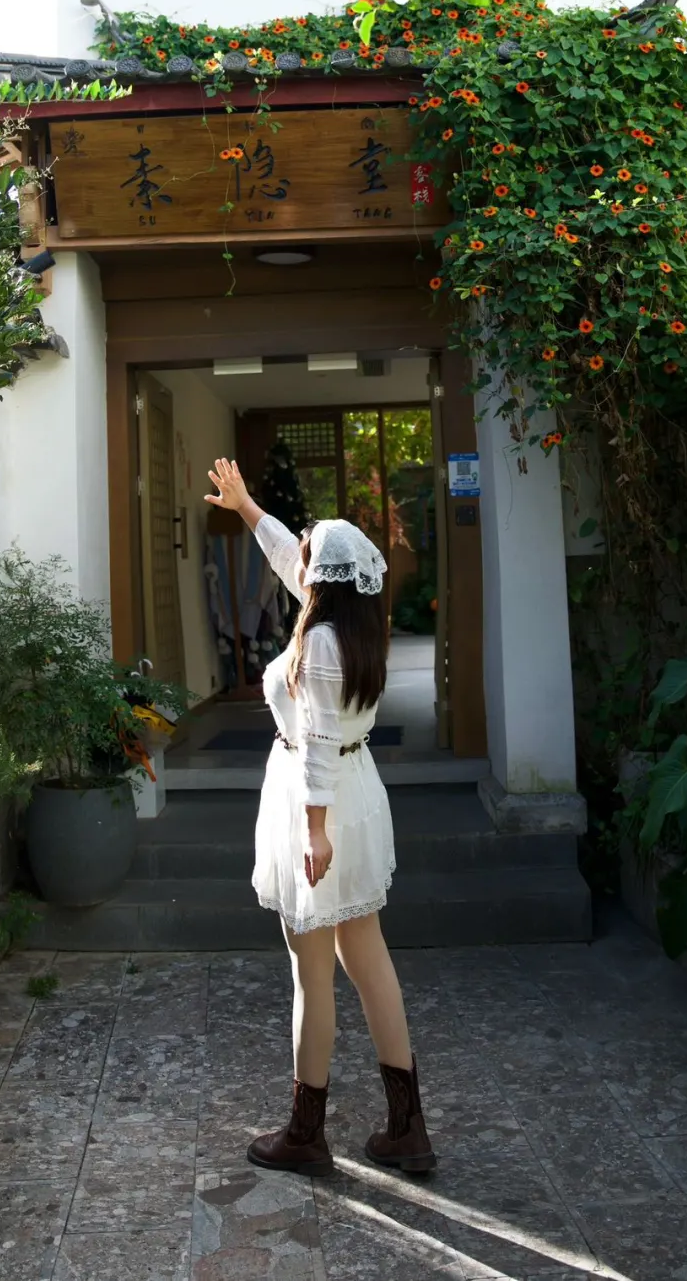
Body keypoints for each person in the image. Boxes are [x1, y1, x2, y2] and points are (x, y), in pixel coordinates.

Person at [204, 458, 436, 1178]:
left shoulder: (324, 644)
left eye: (308, 557)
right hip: (350, 797)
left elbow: (317, 748)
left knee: (313, 973)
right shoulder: (348, 624)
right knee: (367, 959)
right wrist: (247, 508)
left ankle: (307, 1135)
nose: (297, 563)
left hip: (323, 805)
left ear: (323, 578)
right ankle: (407, 1128)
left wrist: (312, 831)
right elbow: (287, 558)